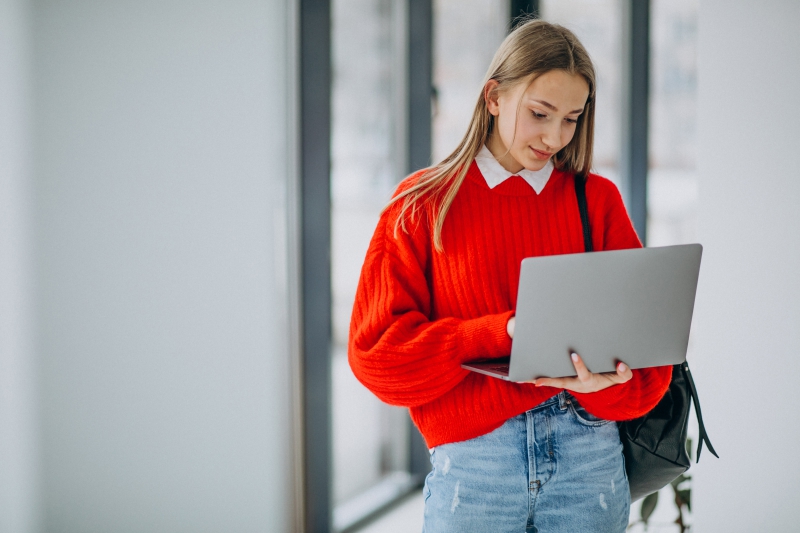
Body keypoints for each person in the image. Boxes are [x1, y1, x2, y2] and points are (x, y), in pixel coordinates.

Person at [348, 19, 671, 533]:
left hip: (589, 457)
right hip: (476, 464)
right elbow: (378, 358)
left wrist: (596, 386)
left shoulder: (597, 201)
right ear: (494, 97)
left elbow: (651, 378)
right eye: (539, 113)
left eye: (571, 118)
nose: (554, 136)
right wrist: (498, 333)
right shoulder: (422, 204)